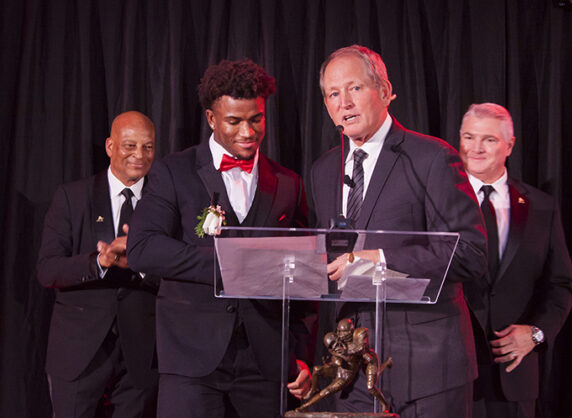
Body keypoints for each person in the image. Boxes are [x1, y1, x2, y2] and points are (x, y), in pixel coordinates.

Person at [126, 59, 311, 418]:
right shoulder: (173, 171)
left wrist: (300, 354)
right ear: (211, 119)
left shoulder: (289, 183)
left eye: (256, 119)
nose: (248, 131)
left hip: (266, 363)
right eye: (234, 121)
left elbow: (304, 279)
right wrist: (232, 263)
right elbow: (143, 248)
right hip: (191, 360)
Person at [310, 44, 487, 417]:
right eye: (333, 94)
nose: (344, 103)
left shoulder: (431, 157)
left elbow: (470, 253)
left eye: (355, 88)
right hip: (354, 375)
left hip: (428, 373)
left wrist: (382, 260)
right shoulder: (323, 170)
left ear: (385, 90)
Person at [37, 111, 159, 417]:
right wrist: (100, 262)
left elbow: (181, 268)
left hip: (142, 352)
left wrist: (142, 264)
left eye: (147, 147)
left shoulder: (164, 201)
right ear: (110, 146)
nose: (139, 155)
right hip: (79, 351)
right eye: (130, 145)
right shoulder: (72, 197)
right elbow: (48, 270)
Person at [458, 102, 572, 418]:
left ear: (509, 145)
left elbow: (561, 285)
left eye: (489, 139)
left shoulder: (542, 207)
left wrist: (536, 333)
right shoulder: (435, 202)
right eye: (468, 137)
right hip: (450, 377)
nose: (476, 149)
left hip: (514, 376)